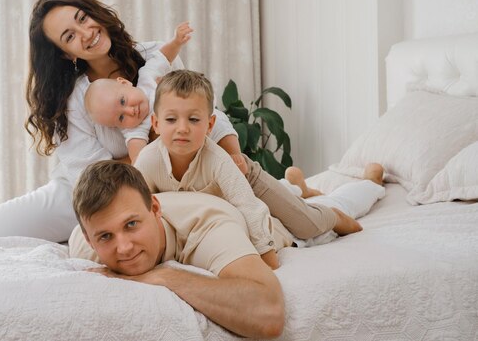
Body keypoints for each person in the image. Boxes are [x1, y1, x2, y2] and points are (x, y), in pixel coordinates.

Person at [0, 0, 239, 242]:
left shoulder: (156, 57)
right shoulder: (72, 99)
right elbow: (95, 174)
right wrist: (168, 147)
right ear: (65, 54)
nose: (86, 32)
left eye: (83, 18)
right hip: (85, 193)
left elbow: (201, 113)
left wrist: (224, 152)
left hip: (162, 186)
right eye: (69, 36)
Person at [134, 70, 384, 269]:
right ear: (155, 123)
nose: (182, 128)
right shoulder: (148, 161)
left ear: (210, 125)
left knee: (306, 225)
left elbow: (248, 207)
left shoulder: (218, 160)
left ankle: (332, 213)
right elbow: (138, 206)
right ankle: (299, 189)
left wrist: (267, 257)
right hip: (222, 205)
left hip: (248, 181)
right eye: (171, 119)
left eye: (194, 119)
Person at [68, 160, 285, 339]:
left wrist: (165, 277)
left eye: (131, 224)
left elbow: (269, 313)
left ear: (155, 209)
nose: (124, 248)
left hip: (265, 220)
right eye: (106, 237)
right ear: (89, 240)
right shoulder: (82, 242)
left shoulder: (208, 227)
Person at [85, 21, 193, 164]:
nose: (130, 111)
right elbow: (137, 155)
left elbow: (163, 57)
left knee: (217, 120)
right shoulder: (135, 129)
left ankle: (233, 152)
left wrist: (176, 42)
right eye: (121, 118)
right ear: (118, 126)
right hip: (179, 144)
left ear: (125, 82)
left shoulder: (147, 78)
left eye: (123, 101)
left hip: (191, 119)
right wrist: (140, 165)